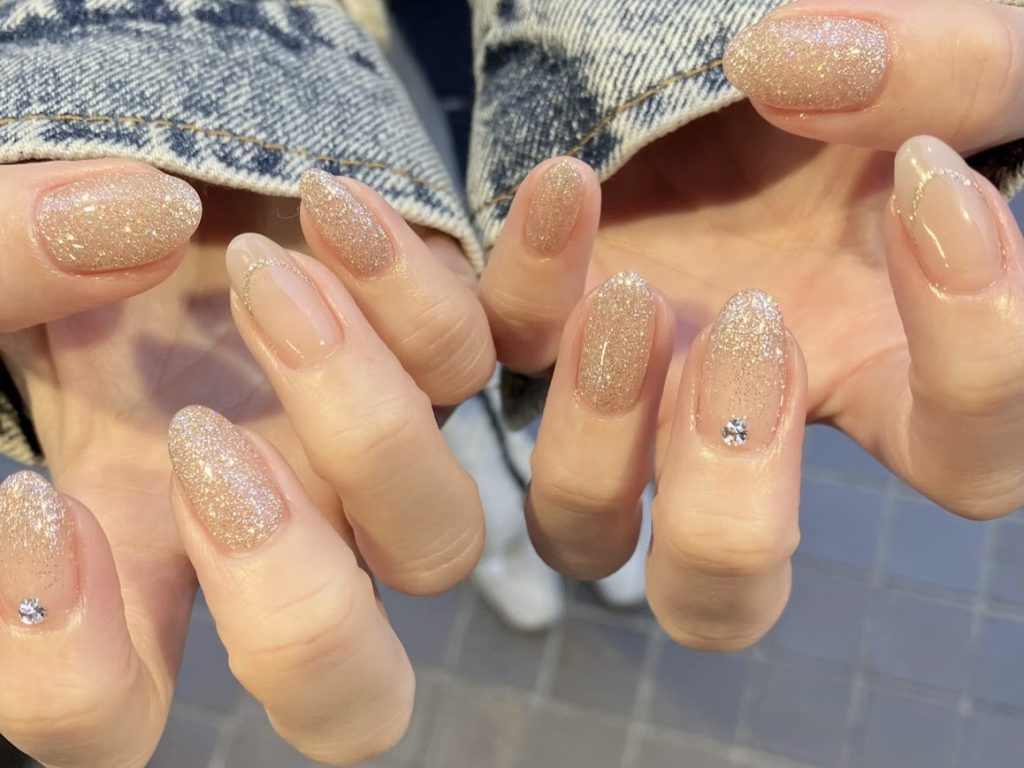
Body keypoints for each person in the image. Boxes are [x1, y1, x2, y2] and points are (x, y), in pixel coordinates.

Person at [0, 1, 1021, 766]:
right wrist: (152, 106)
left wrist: (671, 63)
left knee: (551, 356)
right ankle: (506, 524)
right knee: (425, 387)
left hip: (515, 77)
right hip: (353, 66)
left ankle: (592, 490)